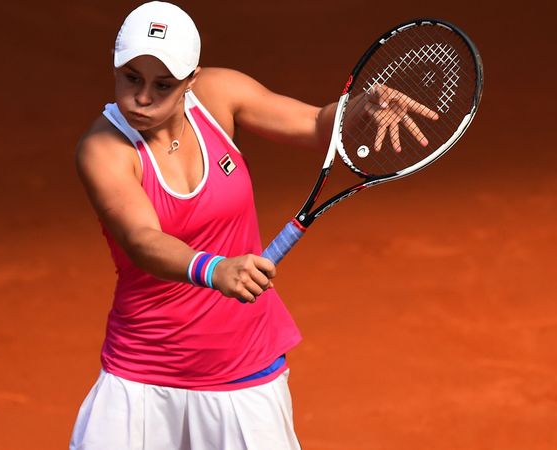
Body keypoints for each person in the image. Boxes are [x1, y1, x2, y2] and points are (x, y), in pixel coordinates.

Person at [70, 3, 434, 449]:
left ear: (191, 80)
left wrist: (362, 106)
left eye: (163, 85)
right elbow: (142, 240)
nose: (142, 98)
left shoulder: (220, 95)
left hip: (244, 369)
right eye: (131, 78)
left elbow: (317, 125)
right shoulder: (103, 149)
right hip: (143, 378)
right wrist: (215, 269)